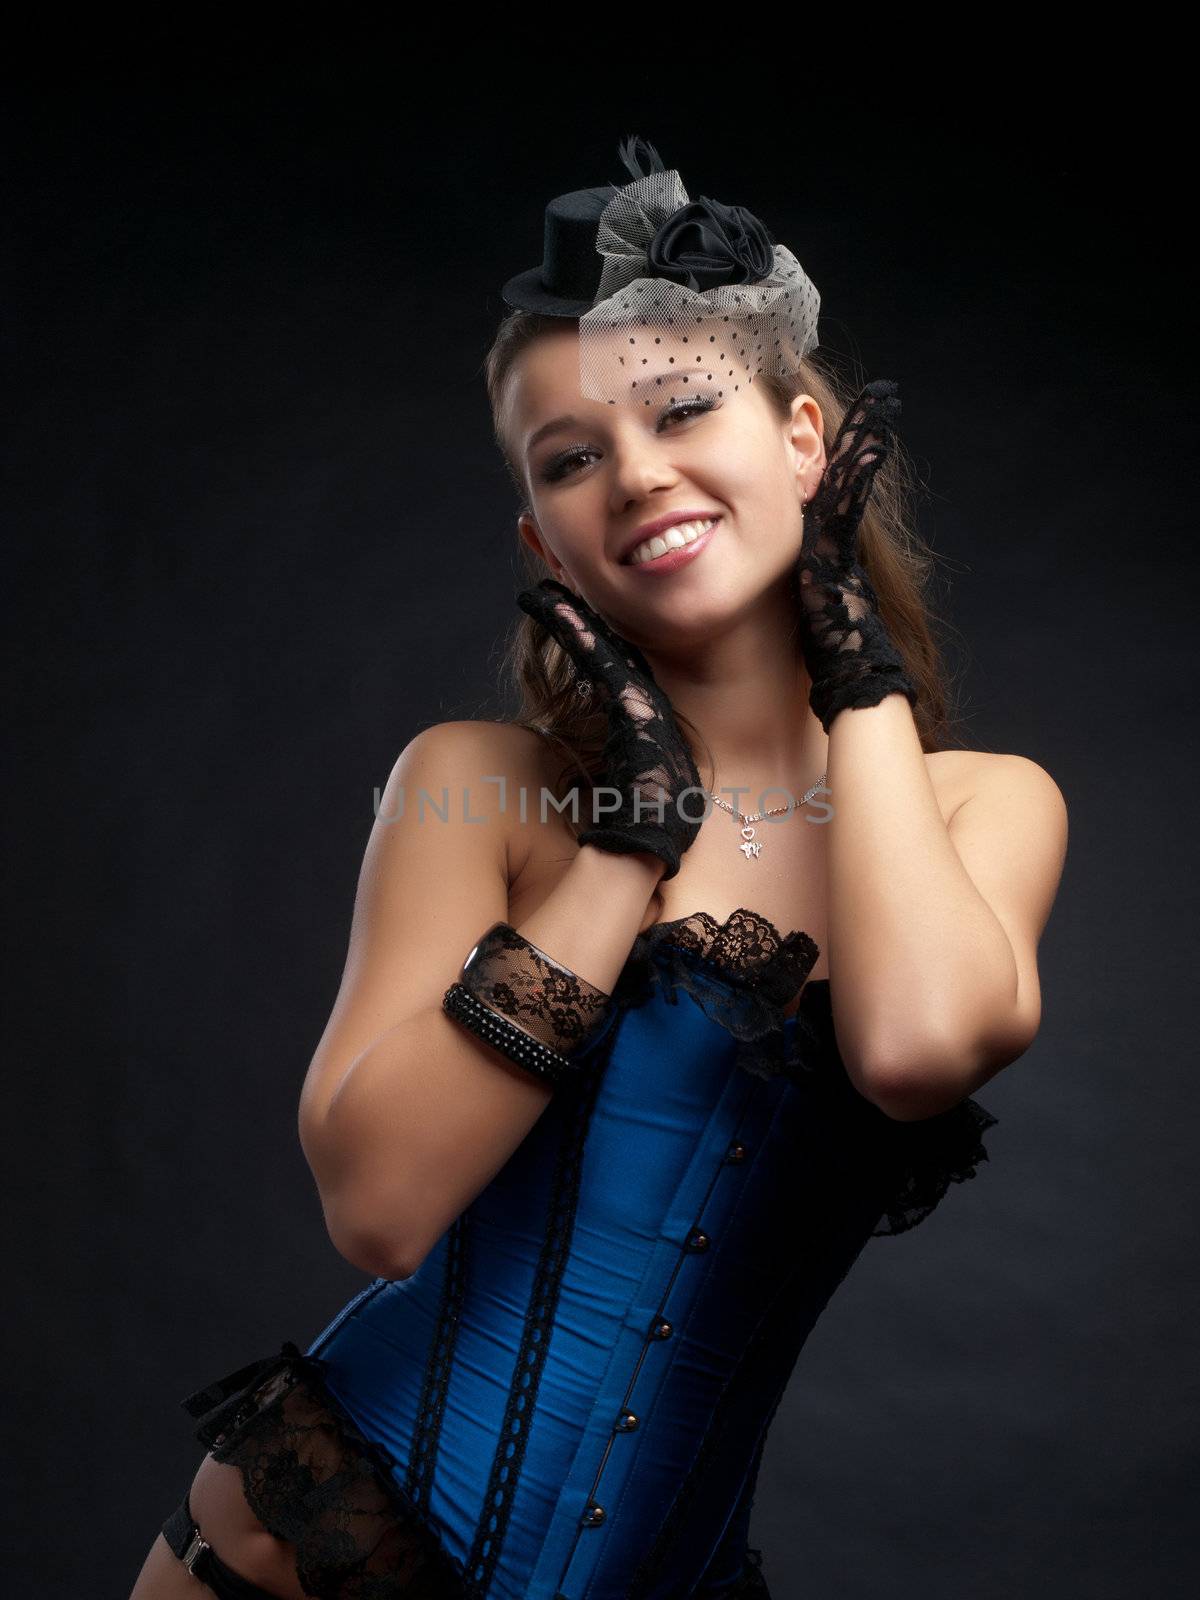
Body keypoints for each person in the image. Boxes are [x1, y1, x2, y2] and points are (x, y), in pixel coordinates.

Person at [129, 136, 1068, 1600]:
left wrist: (855, 677)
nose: (635, 474)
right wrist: (636, 829)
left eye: (685, 406)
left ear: (806, 442)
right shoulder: (478, 786)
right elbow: (378, 1210)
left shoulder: (984, 809)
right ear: (544, 543)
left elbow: (913, 1047)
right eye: (572, 458)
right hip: (322, 1551)